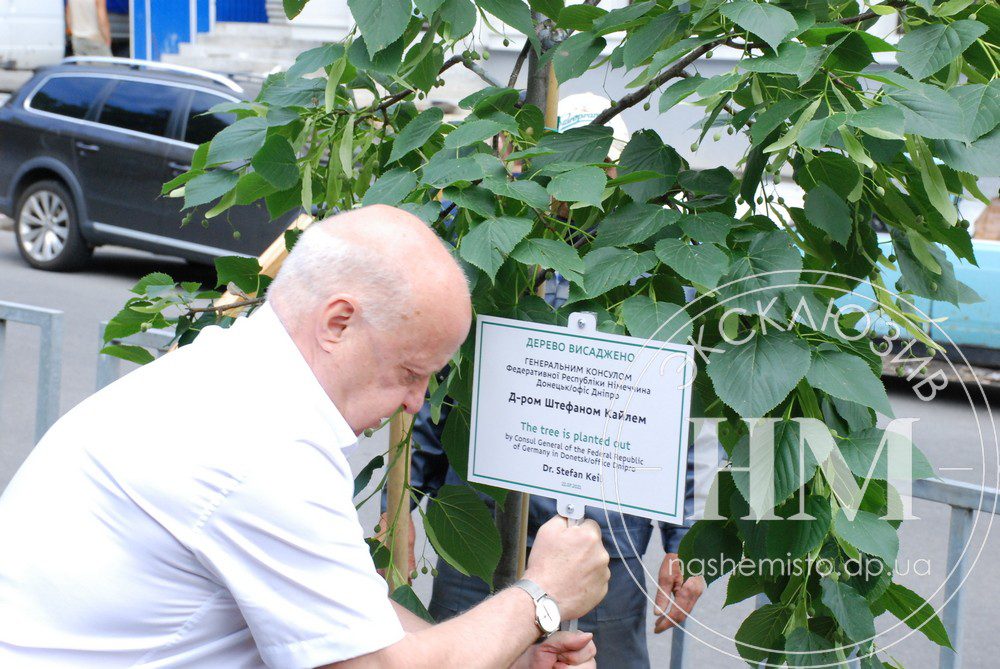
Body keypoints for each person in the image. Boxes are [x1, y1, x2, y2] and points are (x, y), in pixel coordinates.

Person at [0, 205, 611, 668]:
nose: (415, 402)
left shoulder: (226, 375)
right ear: (338, 322)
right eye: (409, 371)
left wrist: (499, 648)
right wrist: (541, 596)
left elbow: (349, 617)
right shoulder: (266, 447)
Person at [383, 95, 708, 669]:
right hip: (484, 528)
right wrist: (403, 498)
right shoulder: (493, 255)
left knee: (598, 662)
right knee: (464, 651)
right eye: (558, 162)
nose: (572, 181)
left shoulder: (648, 272)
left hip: (605, 543)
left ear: (616, 175)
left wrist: (684, 543)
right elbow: (446, 387)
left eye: (595, 166)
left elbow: (675, 421)